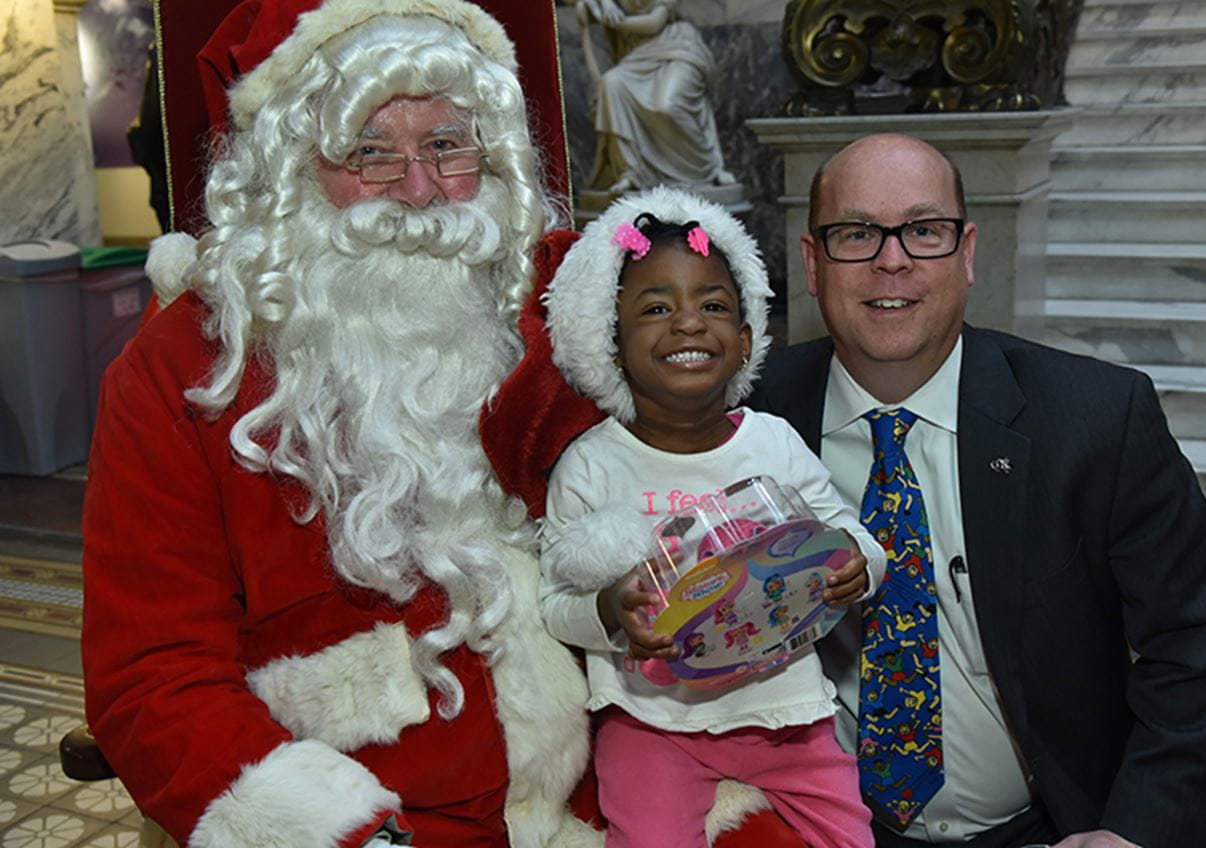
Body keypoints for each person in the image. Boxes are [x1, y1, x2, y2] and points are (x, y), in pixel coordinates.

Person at [79, 1, 602, 845]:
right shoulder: (178, 373)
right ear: (292, 169)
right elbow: (153, 681)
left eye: (446, 145)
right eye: (368, 152)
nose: (421, 192)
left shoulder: (565, 310)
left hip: (602, 810)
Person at [745, 133, 1206, 847]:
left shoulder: (1095, 419)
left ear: (967, 252)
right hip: (814, 826)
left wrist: (1135, 832)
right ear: (812, 262)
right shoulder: (744, 418)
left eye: (923, 231)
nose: (891, 261)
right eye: (857, 233)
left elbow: (1203, 641)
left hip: (1046, 828)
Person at [536, 186, 884, 848]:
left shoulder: (774, 442)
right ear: (609, 343)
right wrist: (610, 608)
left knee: (851, 836)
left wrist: (859, 565)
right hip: (651, 726)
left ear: (748, 337)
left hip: (786, 715)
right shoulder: (590, 465)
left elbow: (854, 534)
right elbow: (552, 604)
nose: (690, 322)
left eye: (714, 305)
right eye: (657, 307)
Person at [576, 0, 736, 192]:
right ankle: (632, 171)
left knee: (667, 105)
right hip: (636, 52)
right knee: (612, 82)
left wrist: (613, 21)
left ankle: (708, 168)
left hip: (677, 46)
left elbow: (654, 23)